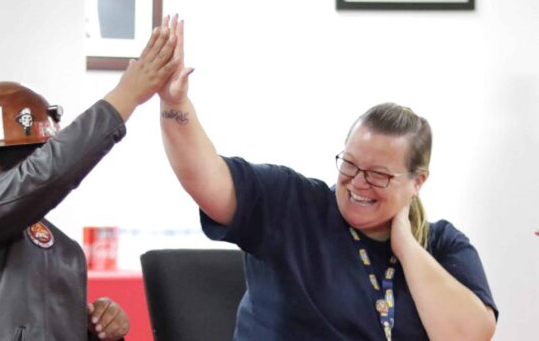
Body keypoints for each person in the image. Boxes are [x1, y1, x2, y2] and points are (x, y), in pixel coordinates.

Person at [157, 18, 498, 340]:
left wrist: (406, 247)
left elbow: (469, 335)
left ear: (417, 181)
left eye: (378, 175)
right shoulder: (292, 204)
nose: (358, 182)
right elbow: (204, 177)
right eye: (349, 164)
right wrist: (175, 103)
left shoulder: (442, 245)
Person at [0, 17, 180, 340]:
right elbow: (41, 177)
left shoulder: (62, 250)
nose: (48, 167)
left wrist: (101, 331)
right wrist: (125, 97)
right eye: (35, 155)